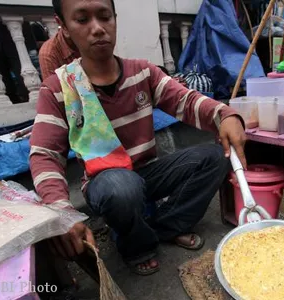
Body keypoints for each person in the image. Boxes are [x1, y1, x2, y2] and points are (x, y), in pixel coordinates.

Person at [29, 0, 247, 276]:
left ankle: (166, 227)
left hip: (148, 172)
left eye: (104, 17)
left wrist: (224, 115)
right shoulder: (59, 88)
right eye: (82, 20)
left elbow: (186, 100)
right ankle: (137, 246)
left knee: (216, 157)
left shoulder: (143, 72)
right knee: (122, 188)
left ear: (114, 19)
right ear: (64, 27)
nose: (97, 29)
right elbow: (45, 155)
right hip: (106, 181)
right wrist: (62, 213)